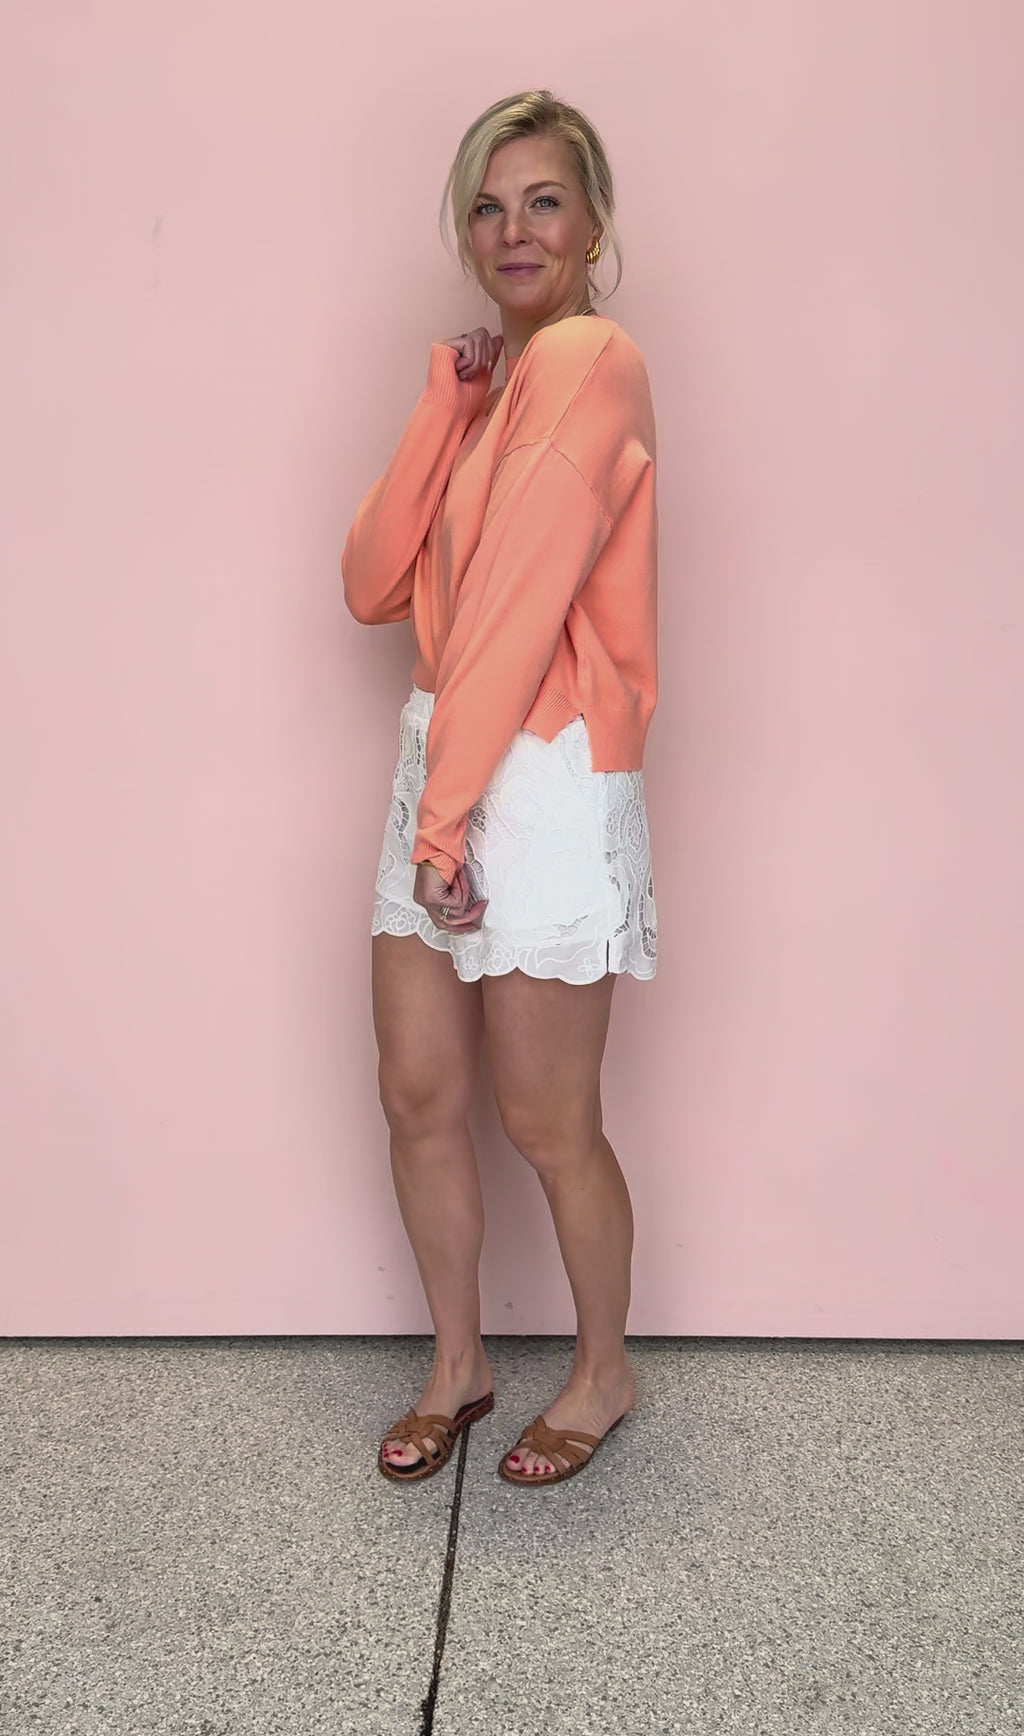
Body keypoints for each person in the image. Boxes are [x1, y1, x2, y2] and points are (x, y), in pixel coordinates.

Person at [342, 89, 659, 1487]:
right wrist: (443, 404)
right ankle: (460, 1364)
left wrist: (449, 819)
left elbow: (523, 612)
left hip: (542, 765)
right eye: (488, 205)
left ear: (593, 223)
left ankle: (603, 1372)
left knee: (545, 1118)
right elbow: (373, 585)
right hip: (449, 747)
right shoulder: (499, 391)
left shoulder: (588, 359)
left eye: (543, 201)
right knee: (418, 1094)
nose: (513, 230)